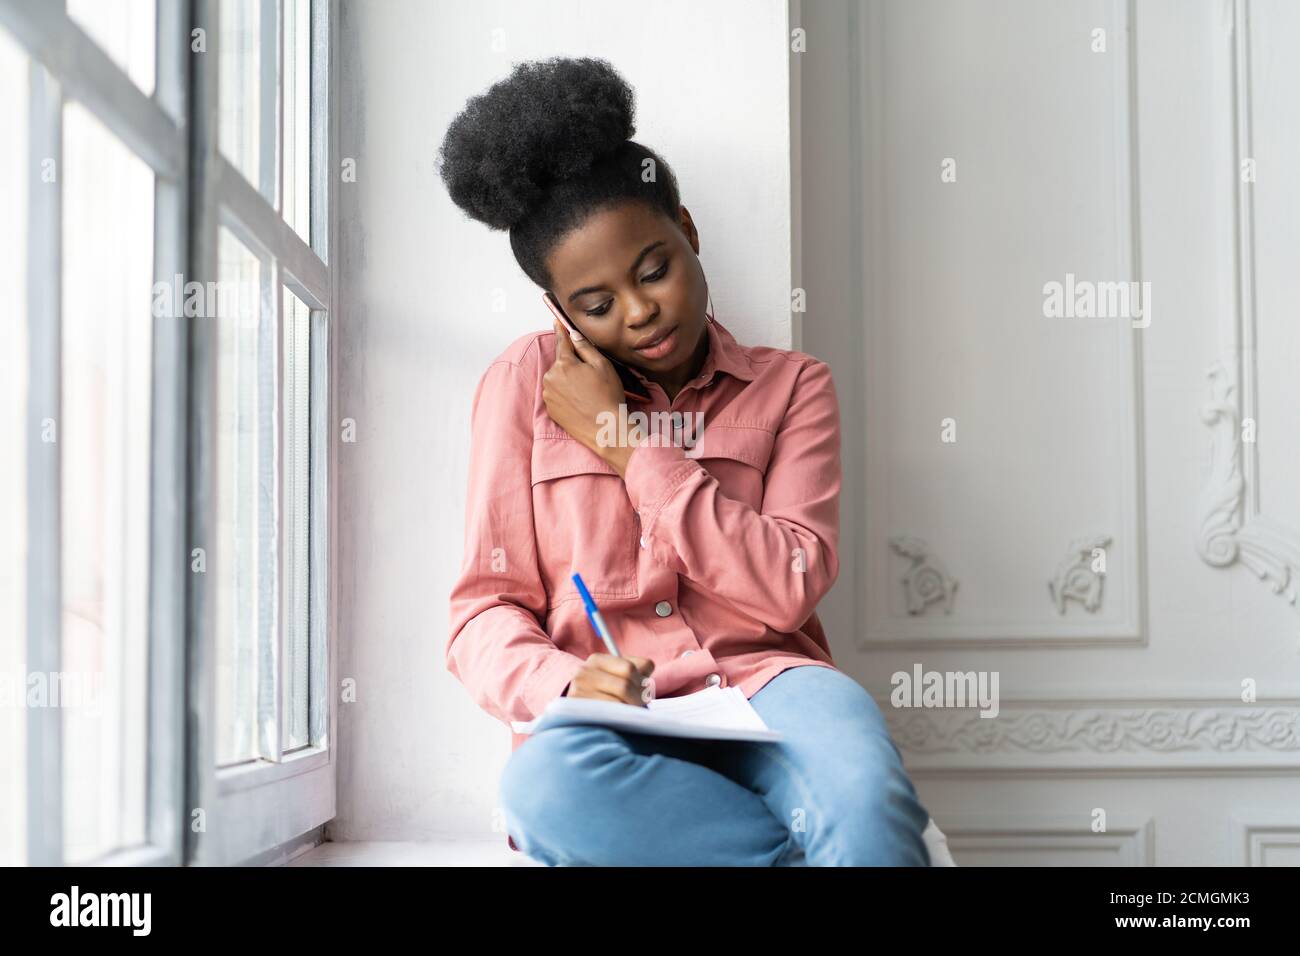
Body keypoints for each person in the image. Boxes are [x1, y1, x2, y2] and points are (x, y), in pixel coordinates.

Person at [439, 56, 932, 866]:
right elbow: (481, 612)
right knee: (542, 795)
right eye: (596, 305)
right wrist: (567, 685)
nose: (639, 313)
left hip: (773, 688)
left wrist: (630, 448)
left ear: (690, 234)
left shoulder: (793, 387)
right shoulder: (519, 385)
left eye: (655, 270)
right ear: (559, 311)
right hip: (613, 713)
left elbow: (788, 583)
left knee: (867, 800)